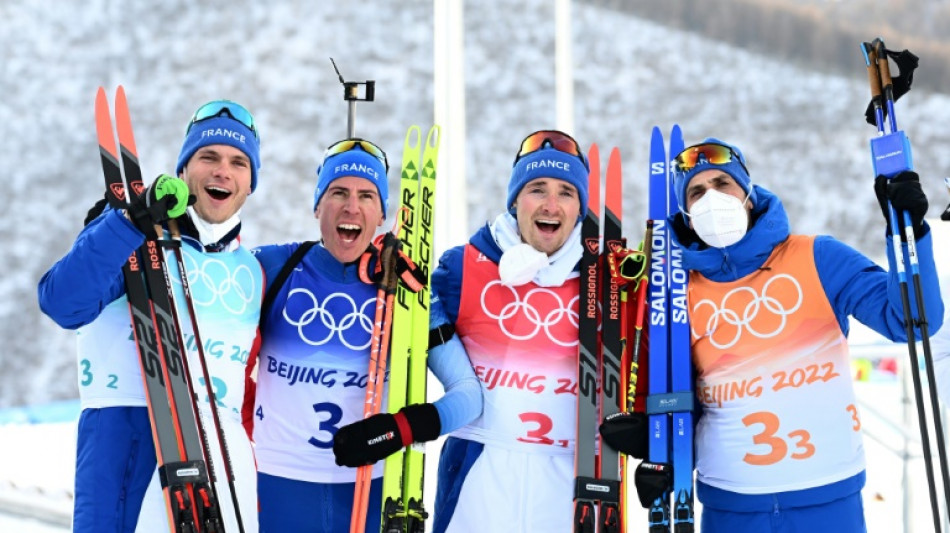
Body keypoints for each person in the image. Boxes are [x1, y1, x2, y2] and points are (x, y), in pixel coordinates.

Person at [602, 137, 943, 532]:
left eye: (722, 184)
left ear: (747, 192)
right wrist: (661, 450)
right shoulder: (678, 288)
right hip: (730, 504)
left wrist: (910, 234)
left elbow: (912, 319)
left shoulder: (818, 257)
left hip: (828, 496)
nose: (711, 198)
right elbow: (683, 398)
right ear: (687, 214)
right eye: (696, 192)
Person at [37, 100, 264, 532]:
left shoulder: (254, 271)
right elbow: (62, 302)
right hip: (129, 445)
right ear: (183, 170)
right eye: (208, 156)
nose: (223, 171)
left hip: (223, 463)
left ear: (251, 183)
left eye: (238, 162)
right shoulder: (131, 240)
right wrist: (126, 223)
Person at [250, 138, 482, 533]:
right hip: (276, 486)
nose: (351, 206)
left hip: (370, 490)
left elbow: (469, 396)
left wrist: (398, 429)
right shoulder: (273, 268)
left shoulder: (406, 288)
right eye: (338, 192)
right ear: (317, 205)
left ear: (381, 214)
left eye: (367, 196)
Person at [421, 130, 592, 532]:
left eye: (566, 192)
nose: (552, 204)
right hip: (479, 475)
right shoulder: (463, 268)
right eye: (537, 189)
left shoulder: (604, 283)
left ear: (580, 208)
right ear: (515, 199)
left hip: (570, 481)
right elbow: (412, 326)